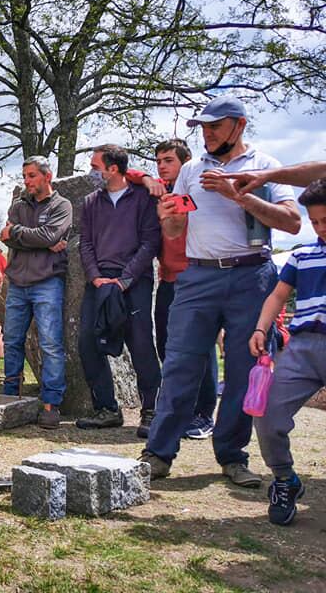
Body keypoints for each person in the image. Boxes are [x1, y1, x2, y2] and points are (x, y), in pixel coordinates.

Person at [141, 96, 301, 486]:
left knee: (244, 369)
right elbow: (177, 229)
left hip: (252, 276)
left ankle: (232, 456)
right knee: (180, 363)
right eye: (203, 127)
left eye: (215, 126)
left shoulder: (265, 166)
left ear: (239, 125)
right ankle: (158, 454)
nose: (207, 133)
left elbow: (294, 223)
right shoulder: (191, 170)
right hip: (198, 277)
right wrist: (169, 219)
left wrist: (238, 195)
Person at [127, 140, 219, 440]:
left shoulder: (198, 191)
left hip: (197, 277)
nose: (162, 165)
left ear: (187, 162)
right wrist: (146, 178)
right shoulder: (160, 191)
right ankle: (182, 409)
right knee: (167, 346)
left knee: (201, 347)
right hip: (167, 280)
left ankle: (204, 415)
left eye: (168, 160)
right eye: (158, 160)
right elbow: (123, 170)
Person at [250, 178, 326, 525]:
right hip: (303, 348)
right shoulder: (302, 254)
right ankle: (285, 479)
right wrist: (261, 328)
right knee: (266, 416)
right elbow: (278, 296)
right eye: (316, 222)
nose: (321, 228)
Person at [76, 145, 161, 436]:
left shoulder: (142, 199)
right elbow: (85, 243)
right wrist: (96, 277)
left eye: (95, 166)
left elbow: (150, 242)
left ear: (113, 169)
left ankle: (150, 410)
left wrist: (125, 280)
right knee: (87, 340)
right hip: (99, 282)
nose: (92, 172)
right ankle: (107, 409)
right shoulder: (90, 202)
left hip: (134, 282)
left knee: (140, 343)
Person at [0, 156, 73, 429]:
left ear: (47, 176)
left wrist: (20, 234)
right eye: (25, 176)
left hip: (47, 283)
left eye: (31, 176)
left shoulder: (61, 205)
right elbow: (12, 236)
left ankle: (51, 404)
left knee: (51, 344)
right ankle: (10, 397)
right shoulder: (18, 206)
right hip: (18, 282)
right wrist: (39, 239)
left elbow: (48, 236)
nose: (27, 181)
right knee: (11, 342)